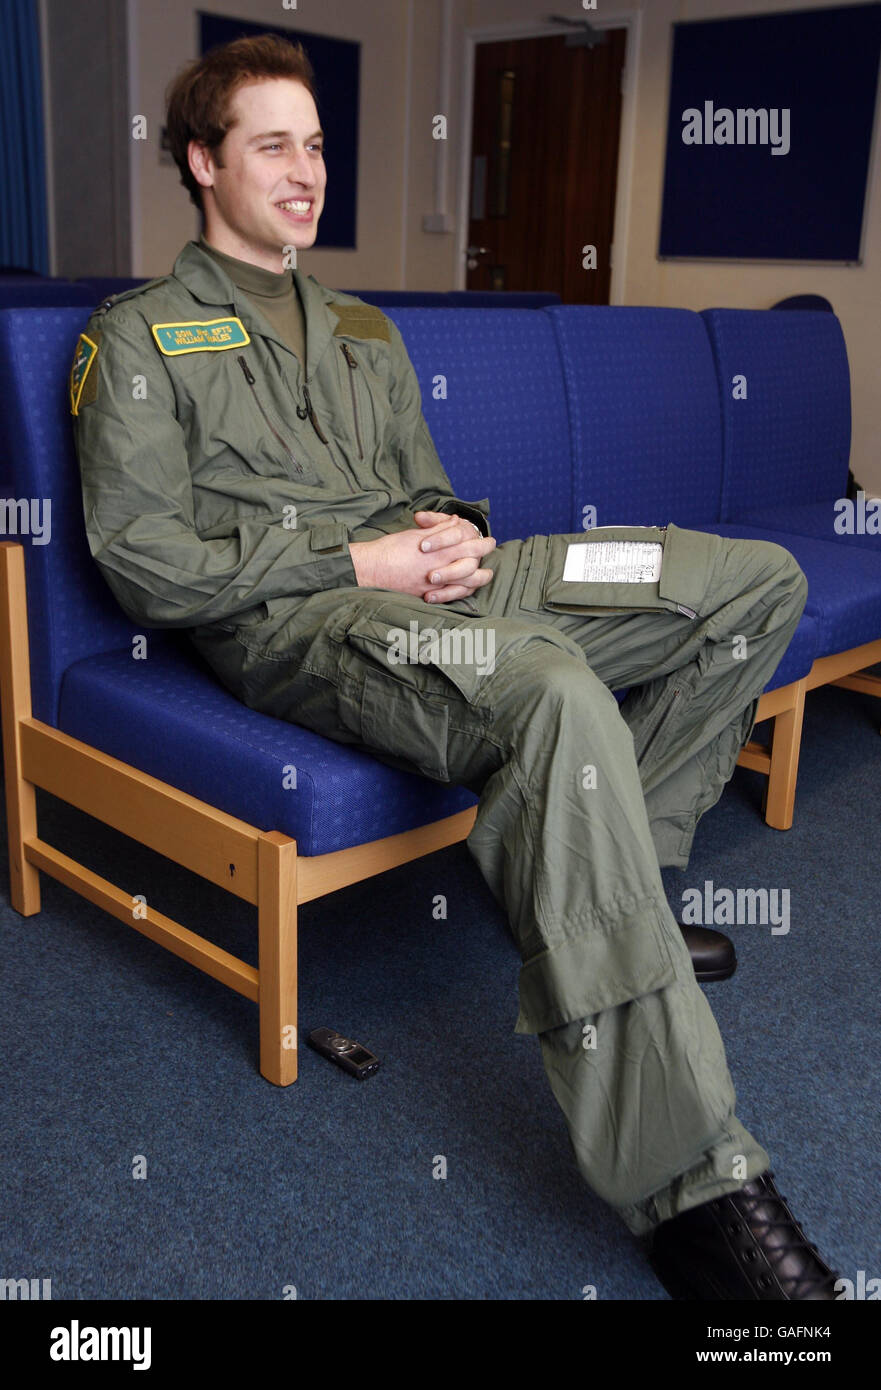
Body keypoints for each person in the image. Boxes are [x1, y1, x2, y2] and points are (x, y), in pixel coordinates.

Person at [71, 34, 841, 1300]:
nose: (306, 169)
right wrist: (363, 564)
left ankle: (619, 888)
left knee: (750, 582)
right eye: (273, 144)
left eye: (316, 145)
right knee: (544, 690)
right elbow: (147, 564)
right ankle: (690, 1186)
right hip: (310, 624)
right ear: (203, 163)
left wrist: (449, 531)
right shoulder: (142, 341)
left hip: (451, 580)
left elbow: (420, 486)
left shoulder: (363, 326)